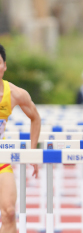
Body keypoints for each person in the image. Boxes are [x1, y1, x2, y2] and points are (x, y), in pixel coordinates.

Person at [0, 44, 40, 232]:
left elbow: (35, 118)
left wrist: (32, 152)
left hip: (1, 159)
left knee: (8, 212)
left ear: (5, 66)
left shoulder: (15, 94)